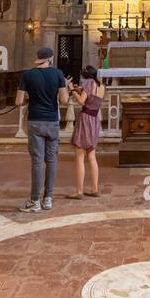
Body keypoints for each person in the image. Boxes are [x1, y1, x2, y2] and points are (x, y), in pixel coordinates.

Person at [15, 47, 69, 213]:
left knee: (37, 161)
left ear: (37, 58)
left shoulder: (27, 74)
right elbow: (64, 100)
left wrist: (30, 99)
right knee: (51, 160)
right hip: (52, 121)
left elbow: (18, 101)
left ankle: (34, 201)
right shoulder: (58, 74)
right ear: (51, 59)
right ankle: (48, 199)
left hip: (35, 120)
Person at [68, 64, 105, 198]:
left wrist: (72, 90)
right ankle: (95, 189)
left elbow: (82, 101)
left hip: (85, 120)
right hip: (94, 120)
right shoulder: (101, 85)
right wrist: (80, 89)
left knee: (79, 156)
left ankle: (78, 191)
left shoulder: (88, 83)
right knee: (92, 156)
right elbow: (92, 99)